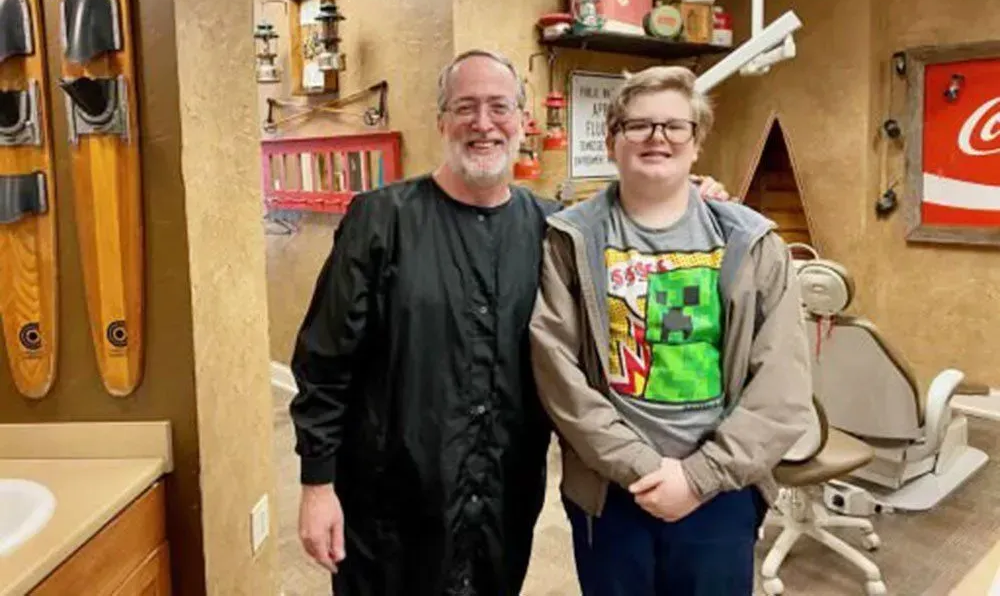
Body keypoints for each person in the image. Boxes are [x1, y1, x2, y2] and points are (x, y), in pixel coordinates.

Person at [289, 50, 731, 596]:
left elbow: (636, 223)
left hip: (502, 503)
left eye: (499, 107)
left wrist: (692, 197)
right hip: (389, 509)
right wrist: (317, 484)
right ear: (442, 121)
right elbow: (324, 363)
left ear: (522, 121)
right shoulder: (381, 220)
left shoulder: (554, 231)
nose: (483, 123)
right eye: (465, 107)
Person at [529, 65, 815, 596]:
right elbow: (557, 372)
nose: (656, 137)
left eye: (674, 125)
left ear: (697, 141)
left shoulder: (753, 243)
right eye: (638, 125)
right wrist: (639, 466)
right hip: (611, 491)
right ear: (612, 140)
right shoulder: (571, 239)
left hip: (720, 493)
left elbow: (784, 385)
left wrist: (699, 478)